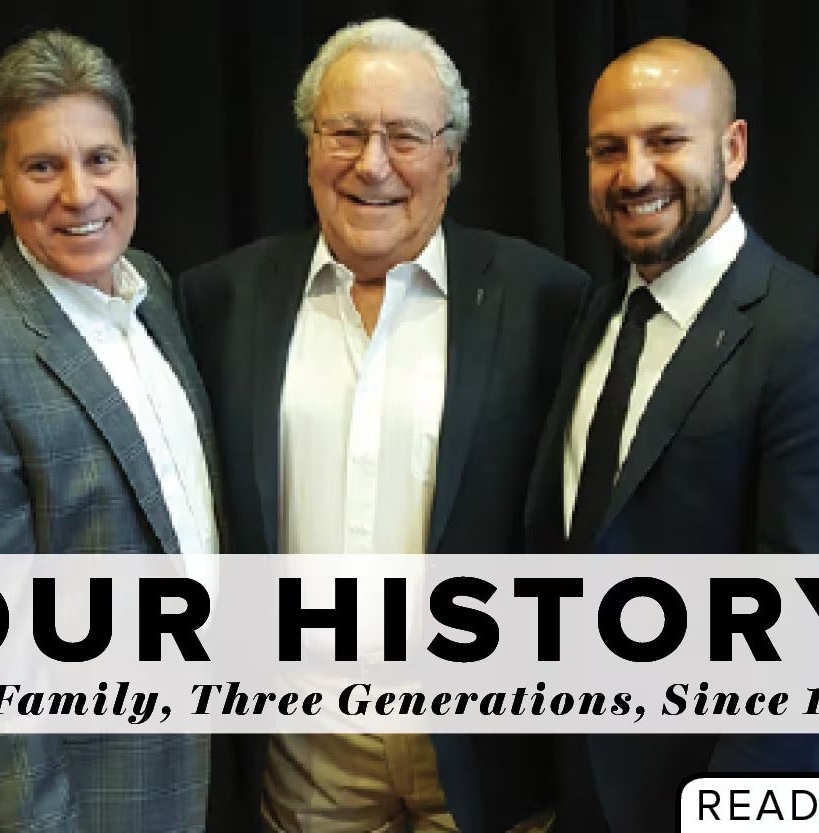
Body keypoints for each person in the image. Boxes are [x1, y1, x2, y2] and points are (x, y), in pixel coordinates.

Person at [175, 16, 588, 833]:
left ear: (452, 157)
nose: (372, 164)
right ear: (307, 147)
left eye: (405, 135)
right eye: (346, 132)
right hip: (300, 751)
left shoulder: (547, 299)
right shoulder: (220, 301)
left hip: (485, 749)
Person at [524, 37, 819, 832]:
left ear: (733, 149)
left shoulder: (818, 340)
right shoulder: (597, 313)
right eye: (607, 150)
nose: (634, 174)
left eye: (665, 141)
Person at [0, 29, 222, 832]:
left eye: (101, 159)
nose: (80, 193)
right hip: (93, 803)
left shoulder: (158, 298)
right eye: (44, 167)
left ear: (133, 162)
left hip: (207, 772)